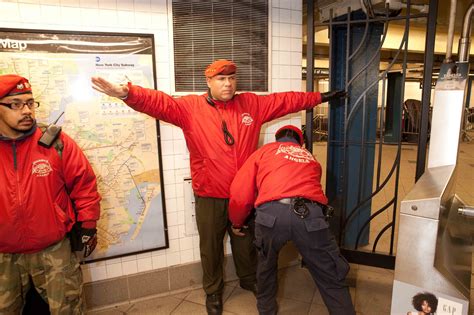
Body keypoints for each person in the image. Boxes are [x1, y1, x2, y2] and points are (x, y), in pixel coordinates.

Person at [91, 59, 345, 315]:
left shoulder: (252, 105)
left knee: (247, 243)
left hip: (244, 195)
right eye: (221, 79)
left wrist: (320, 96)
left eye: (232, 78)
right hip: (209, 194)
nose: (228, 84)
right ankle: (213, 292)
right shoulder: (189, 107)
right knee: (210, 247)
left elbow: (286, 100)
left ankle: (249, 279)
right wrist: (128, 93)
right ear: (209, 82)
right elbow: (160, 102)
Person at [0, 74, 101, 314]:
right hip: (4, 255)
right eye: (16, 104)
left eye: (30, 103)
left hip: (53, 250)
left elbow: (84, 184)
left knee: (68, 308)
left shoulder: (55, 142)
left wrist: (87, 225)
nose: (27, 111)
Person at [228, 125, 355, 315]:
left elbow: (240, 192)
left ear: (277, 139)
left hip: (271, 216)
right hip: (309, 216)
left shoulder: (264, 152)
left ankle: (267, 311)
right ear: (299, 141)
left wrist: (237, 222)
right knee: (330, 274)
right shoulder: (310, 157)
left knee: (266, 267)